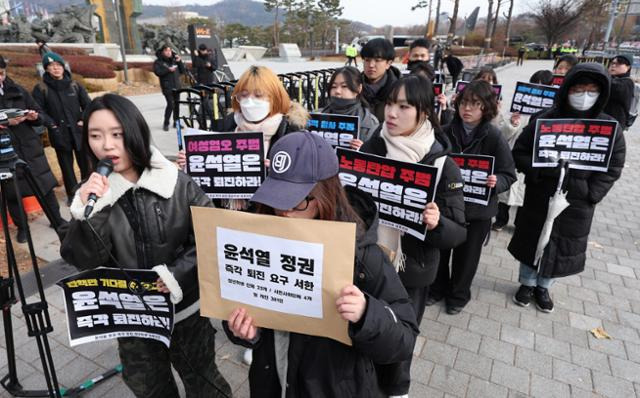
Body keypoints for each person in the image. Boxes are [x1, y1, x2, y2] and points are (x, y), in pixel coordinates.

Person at [59, 94, 232, 397]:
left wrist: (176, 274)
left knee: (203, 380)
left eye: (117, 134)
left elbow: (213, 234)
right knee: (149, 387)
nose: (107, 145)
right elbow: (82, 259)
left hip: (186, 311)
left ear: (135, 131)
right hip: (131, 319)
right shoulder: (91, 193)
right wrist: (89, 211)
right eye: (95, 136)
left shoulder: (177, 183)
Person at [224, 131, 419, 397]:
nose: (284, 211)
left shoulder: (361, 253)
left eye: (298, 200)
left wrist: (366, 313)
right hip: (271, 382)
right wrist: (245, 332)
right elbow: (242, 305)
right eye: (277, 198)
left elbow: (404, 339)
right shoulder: (257, 238)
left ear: (325, 193)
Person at [360, 75, 467, 396]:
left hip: (412, 272)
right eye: (389, 104)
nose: (391, 113)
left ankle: (397, 389)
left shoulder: (441, 164)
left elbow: (458, 232)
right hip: (368, 264)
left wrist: (437, 224)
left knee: (397, 337)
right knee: (364, 329)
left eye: (403, 106)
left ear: (423, 111)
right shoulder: (372, 148)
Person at [509, 63, 626, 313]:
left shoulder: (609, 128)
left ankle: (544, 287)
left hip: (577, 201)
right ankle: (527, 283)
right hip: (541, 194)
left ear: (602, 93)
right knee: (532, 239)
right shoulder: (545, 118)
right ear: (567, 89)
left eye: (592, 90)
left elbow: (614, 166)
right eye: (579, 89)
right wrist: (539, 172)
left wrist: (591, 193)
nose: (584, 95)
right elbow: (519, 151)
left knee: (561, 245)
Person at [430, 80, 516, 315]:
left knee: (467, 257)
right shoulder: (445, 131)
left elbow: (509, 173)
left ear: (486, 108)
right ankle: (436, 289)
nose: (467, 109)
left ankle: (458, 295)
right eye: (464, 103)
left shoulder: (494, 137)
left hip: (478, 210)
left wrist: (497, 181)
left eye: (475, 104)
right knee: (440, 249)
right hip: (447, 207)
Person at [0, 55, 65, 243]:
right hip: (5, 152)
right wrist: (5, 122)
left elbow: (41, 115)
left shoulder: (18, 90)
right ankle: (23, 228)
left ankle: (57, 220)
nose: (0, 78)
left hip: (29, 147)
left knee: (44, 186)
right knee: (13, 192)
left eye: (2, 73)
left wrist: (33, 116)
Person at [493, 70, 554, 231]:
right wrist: (513, 123)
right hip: (513, 154)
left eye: (543, 86)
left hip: (533, 158)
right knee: (506, 192)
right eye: (536, 84)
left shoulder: (552, 112)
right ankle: (501, 219)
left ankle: (520, 223)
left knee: (524, 194)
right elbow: (503, 134)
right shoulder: (518, 108)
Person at [32, 52, 91, 205]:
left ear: (63, 67)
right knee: (66, 167)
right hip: (59, 133)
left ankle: (87, 190)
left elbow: (88, 105)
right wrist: (51, 125)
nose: (56, 69)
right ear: (46, 69)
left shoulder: (75, 85)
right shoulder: (41, 88)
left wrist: (83, 119)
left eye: (58, 65)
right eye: (52, 66)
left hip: (78, 132)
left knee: (85, 163)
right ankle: (73, 195)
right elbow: (39, 110)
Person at [321, 66, 379, 149]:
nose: (337, 91)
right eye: (334, 86)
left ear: (359, 88)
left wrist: (364, 149)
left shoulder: (370, 123)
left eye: (344, 86)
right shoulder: (316, 116)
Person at [360, 38, 401, 122]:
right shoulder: (352, 87)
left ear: (388, 64)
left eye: (377, 60)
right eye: (367, 60)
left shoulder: (401, 90)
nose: (371, 65)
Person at [153, 44, 185, 131]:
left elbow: (183, 71)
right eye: (166, 50)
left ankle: (176, 123)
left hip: (177, 86)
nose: (168, 52)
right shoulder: (158, 62)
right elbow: (157, 72)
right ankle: (166, 123)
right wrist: (168, 70)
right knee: (171, 105)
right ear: (163, 52)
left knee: (177, 105)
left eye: (170, 50)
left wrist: (179, 61)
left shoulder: (174, 60)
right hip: (167, 87)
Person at [604, 54, 635, 129]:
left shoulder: (627, 82)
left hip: (616, 124)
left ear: (628, 67)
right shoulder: (611, 78)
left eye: (619, 63)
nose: (613, 66)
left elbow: (615, 88)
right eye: (613, 63)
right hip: (604, 121)